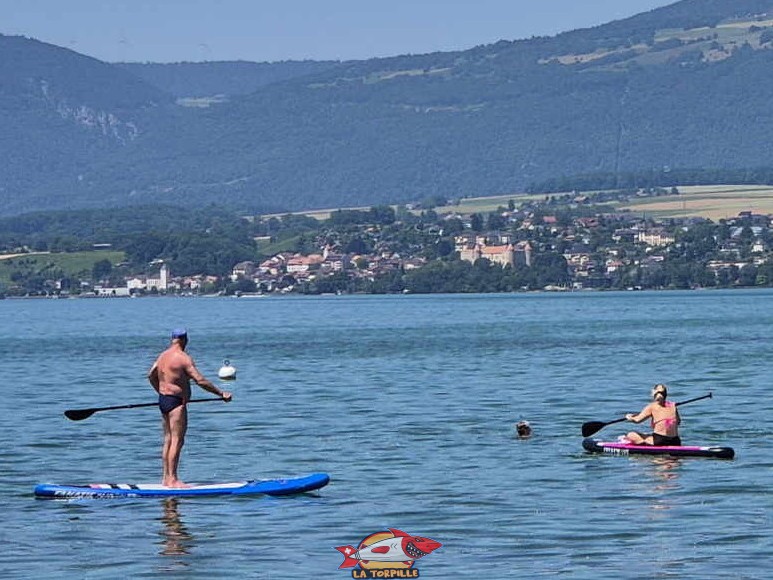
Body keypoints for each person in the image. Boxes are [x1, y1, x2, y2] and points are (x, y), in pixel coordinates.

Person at [148, 328, 232, 487]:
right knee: (177, 440)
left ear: (172, 339)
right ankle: (173, 479)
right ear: (185, 340)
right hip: (176, 403)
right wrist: (221, 394)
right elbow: (200, 380)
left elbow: (151, 375)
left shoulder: (162, 356)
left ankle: (166, 478)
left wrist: (161, 391)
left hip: (163, 400)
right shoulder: (183, 358)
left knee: (167, 439)